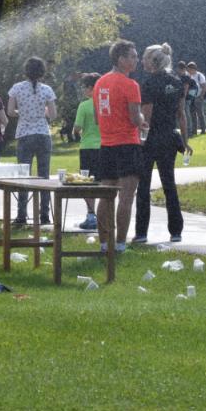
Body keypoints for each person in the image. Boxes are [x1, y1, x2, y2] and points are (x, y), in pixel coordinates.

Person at [134, 43, 193, 245]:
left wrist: (139, 140)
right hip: (169, 138)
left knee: (143, 186)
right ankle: (176, 230)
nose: (142, 61)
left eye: (144, 57)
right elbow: (182, 115)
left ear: (152, 61)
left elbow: (147, 117)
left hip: (150, 140)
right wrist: (185, 141)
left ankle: (141, 232)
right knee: (169, 184)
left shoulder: (148, 83)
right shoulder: (177, 82)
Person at [94, 40, 146, 254]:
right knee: (126, 197)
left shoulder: (99, 83)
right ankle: (121, 244)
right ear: (121, 58)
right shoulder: (130, 84)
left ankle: (104, 243)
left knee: (105, 196)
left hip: (106, 145)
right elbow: (135, 119)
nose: (136, 60)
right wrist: (142, 118)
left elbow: (98, 119)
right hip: (127, 145)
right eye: (133, 56)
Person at [7, 57, 57, 225]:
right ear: (42, 72)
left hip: (24, 134)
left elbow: (10, 112)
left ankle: (22, 215)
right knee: (44, 175)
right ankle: (44, 215)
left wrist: (22, 112)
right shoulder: (47, 90)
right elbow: (53, 115)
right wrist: (42, 112)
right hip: (43, 134)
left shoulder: (16, 89)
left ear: (25, 71)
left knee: (23, 175)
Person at [71, 73, 102, 230]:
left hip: (88, 147)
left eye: (84, 87)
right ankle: (103, 215)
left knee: (87, 182)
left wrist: (76, 133)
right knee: (102, 182)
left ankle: (91, 215)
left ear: (91, 88)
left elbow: (77, 128)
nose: (83, 90)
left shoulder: (84, 106)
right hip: (104, 146)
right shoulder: (104, 104)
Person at [187, 62, 206, 135]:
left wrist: (201, 96)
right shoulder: (188, 76)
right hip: (191, 98)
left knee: (200, 114)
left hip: (198, 97)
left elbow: (204, 87)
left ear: (193, 69)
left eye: (189, 69)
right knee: (192, 114)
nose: (188, 71)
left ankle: (203, 130)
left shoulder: (200, 76)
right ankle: (194, 130)